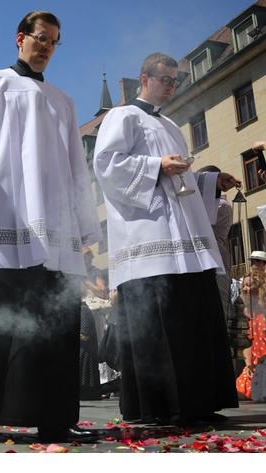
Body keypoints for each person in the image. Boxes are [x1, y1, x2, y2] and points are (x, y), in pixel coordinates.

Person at [0, 11, 101, 442]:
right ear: (20, 38)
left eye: (54, 42)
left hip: (54, 225)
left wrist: (83, 225)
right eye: (41, 38)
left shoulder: (63, 101)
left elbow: (76, 167)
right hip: (3, 212)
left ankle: (55, 418)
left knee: (54, 324)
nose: (47, 47)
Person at [93, 52, 240, 425]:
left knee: (195, 319)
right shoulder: (122, 116)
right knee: (162, 323)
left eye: (176, 81)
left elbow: (183, 179)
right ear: (144, 78)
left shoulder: (172, 125)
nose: (172, 88)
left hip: (186, 245)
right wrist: (156, 166)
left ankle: (198, 403)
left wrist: (210, 181)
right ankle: (159, 406)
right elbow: (106, 165)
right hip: (151, 240)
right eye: (165, 80)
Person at [198, 165, 234, 321]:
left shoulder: (221, 206)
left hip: (216, 262)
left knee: (218, 312)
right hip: (205, 263)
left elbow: (201, 220)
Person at [236, 271, 266, 400]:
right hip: (255, 362)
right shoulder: (244, 310)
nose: (246, 289)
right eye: (244, 285)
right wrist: (249, 365)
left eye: (249, 285)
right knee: (241, 391)